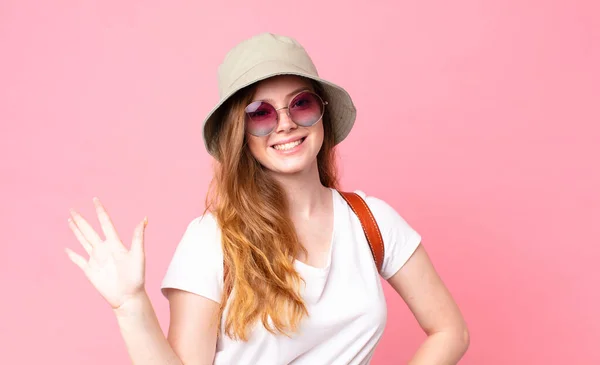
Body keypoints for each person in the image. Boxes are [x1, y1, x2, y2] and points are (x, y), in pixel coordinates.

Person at [65, 33, 470, 365]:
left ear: (322, 114)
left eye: (301, 103)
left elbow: (451, 330)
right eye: (261, 113)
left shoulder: (370, 222)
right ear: (239, 133)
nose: (286, 123)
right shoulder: (213, 240)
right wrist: (130, 304)